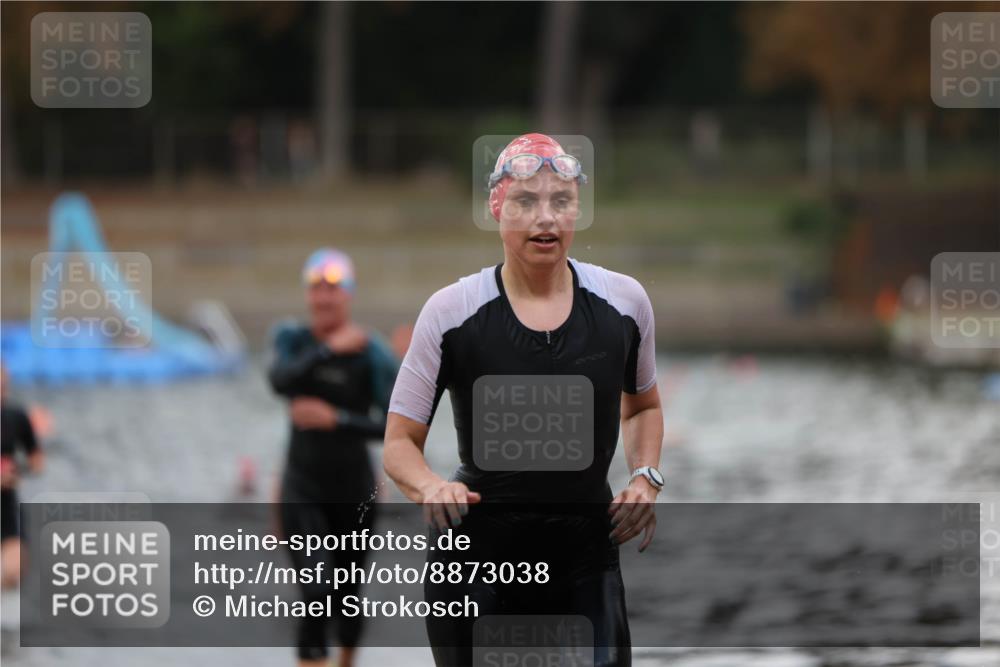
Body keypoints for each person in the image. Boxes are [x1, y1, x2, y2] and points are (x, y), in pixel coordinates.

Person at [383, 133, 664, 666]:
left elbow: (643, 406)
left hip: (586, 556)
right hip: (478, 561)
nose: (546, 218)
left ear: (577, 208)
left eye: (561, 201)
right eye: (526, 201)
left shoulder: (624, 303)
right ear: (496, 208)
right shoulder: (451, 312)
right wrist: (430, 487)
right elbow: (399, 443)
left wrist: (645, 478)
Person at [267, 248, 399, 667]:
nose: (325, 300)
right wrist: (327, 351)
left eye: (334, 290)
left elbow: (397, 425)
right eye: (317, 290)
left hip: (354, 493)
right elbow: (278, 380)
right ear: (308, 296)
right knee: (316, 591)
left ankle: (345, 659)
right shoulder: (294, 340)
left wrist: (336, 419)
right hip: (301, 486)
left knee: (346, 597)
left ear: (349, 295)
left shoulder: (370, 353)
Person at [1, 364, 45, 589]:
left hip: (6, 503)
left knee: (16, 571)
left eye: (4, 384)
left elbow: (36, 461)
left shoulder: (16, 417)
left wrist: (19, 471)